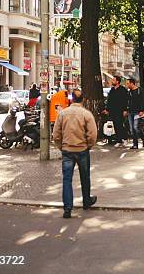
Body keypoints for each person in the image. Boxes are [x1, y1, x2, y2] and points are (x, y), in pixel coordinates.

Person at [52, 89, 97, 219]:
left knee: (67, 179)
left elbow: (56, 134)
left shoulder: (62, 114)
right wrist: (88, 145)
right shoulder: (86, 114)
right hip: (82, 150)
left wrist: (61, 147)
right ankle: (86, 202)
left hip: (67, 151)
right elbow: (93, 134)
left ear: (71, 99)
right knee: (85, 177)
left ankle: (67, 208)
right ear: (83, 100)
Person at [103, 75, 128, 147]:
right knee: (116, 125)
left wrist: (125, 110)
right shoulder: (112, 90)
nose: (112, 81)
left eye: (113, 80)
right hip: (113, 111)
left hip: (120, 110)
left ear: (117, 81)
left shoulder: (122, 90)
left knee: (120, 125)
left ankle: (125, 139)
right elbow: (109, 101)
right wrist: (107, 109)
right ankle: (118, 140)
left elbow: (125, 100)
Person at [126, 78, 144, 149]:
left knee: (136, 127)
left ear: (132, 83)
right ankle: (135, 144)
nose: (127, 85)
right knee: (132, 129)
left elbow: (143, 100)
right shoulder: (129, 92)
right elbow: (127, 101)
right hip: (130, 112)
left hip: (137, 112)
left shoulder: (140, 90)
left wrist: (142, 110)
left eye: (128, 83)